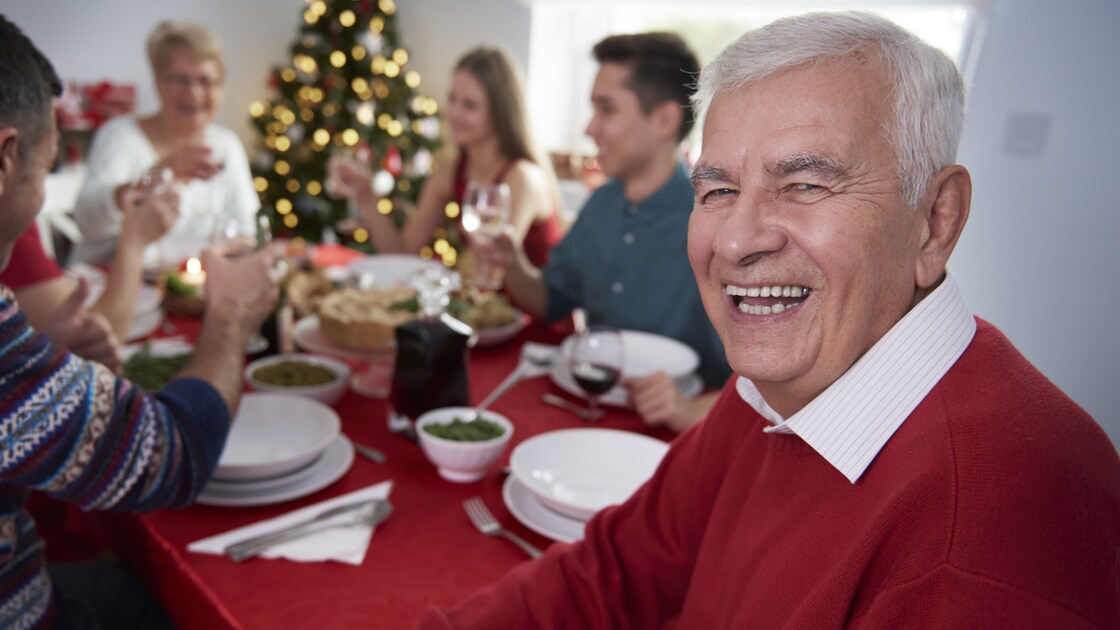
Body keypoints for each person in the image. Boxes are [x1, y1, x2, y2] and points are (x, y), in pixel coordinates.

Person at [421, 12, 1120, 628]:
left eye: (806, 184)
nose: (735, 240)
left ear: (935, 222)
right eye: (719, 189)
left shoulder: (987, 554)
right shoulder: (776, 387)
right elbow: (617, 568)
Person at [0, 3, 278, 628]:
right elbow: (169, 458)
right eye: (46, 165)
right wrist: (231, 320)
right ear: (1, 160)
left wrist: (37, 364)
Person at [485, 32, 729, 431]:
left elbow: (766, 385)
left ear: (664, 120)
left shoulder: (715, 225)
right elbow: (551, 301)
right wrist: (512, 262)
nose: (590, 128)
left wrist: (690, 410)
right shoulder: (601, 203)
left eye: (607, 109)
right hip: (587, 409)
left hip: (680, 438)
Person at [328, 46, 562, 268]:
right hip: (487, 306)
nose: (453, 113)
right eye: (452, 99)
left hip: (526, 310)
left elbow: (492, 271)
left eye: (469, 105)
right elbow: (404, 251)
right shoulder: (452, 170)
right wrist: (365, 195)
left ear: (501, 113)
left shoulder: (522, 177)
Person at [72, 19, 259, 269]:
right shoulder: (120, 136)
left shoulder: (226, 145)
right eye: (180, 80)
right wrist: (145, 184)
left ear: (221, 88)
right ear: (158, 83)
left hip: (192, 291)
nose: (193, 93)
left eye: (205, 80)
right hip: (111, 285)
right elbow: (87, 221)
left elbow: (246, 230)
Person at [0, 181, 179, 373]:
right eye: (42, 170)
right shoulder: (1, 225)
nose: (44, 196)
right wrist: (135, 240)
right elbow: (98, 339)